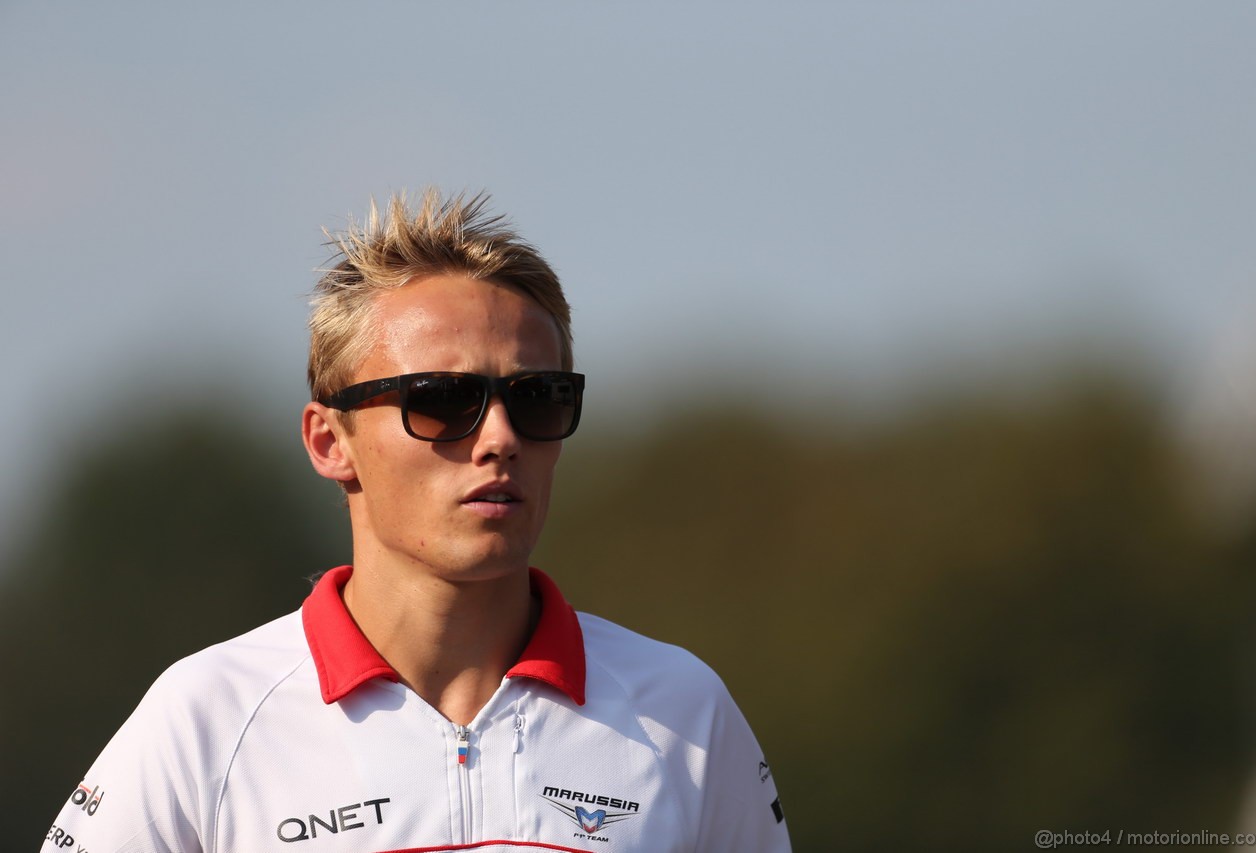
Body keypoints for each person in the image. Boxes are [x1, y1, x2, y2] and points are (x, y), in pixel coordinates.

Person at [41, 190, 791, 852]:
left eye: (537, 398)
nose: (499, 437)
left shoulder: (683, 710)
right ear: (330, 441)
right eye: (441, 398)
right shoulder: (206, 716)